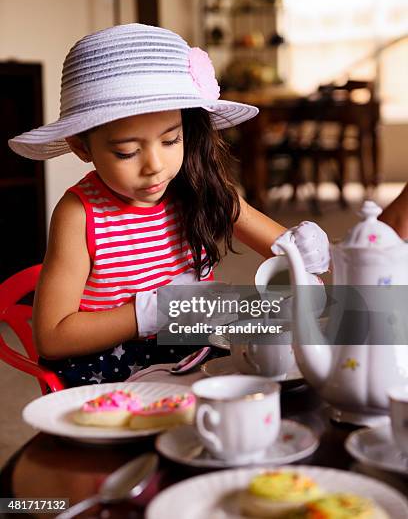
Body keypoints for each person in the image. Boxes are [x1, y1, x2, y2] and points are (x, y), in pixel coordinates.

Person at [9, 23, 330, 387]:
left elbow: (284, 250)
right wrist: (155, 312)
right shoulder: (79, 213)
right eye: (126, 151)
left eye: (171, 140)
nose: (155, 166)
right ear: (83, 147)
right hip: (115, 370)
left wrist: (304, 249)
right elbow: (52, 336)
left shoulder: (198, 187)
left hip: (197, 349)